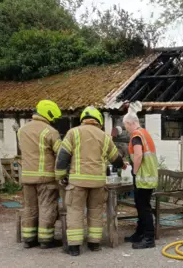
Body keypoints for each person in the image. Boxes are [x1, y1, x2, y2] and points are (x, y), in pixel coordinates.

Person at [55, 106, 124, 256]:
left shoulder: (73, 133)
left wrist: (60, 176)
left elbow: (62, 157)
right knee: (95, 212)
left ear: (83, 119)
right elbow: (115, 159)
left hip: (77, 183)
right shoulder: (104, 136)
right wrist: (122, 163)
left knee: (75, 212)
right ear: (98, 120)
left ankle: (74, 247)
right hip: (98, 183)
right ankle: (94, 244)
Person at [18, 100, 62, 249]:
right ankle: (45, 240)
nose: (53, 121)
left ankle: (29, 239)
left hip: (27, 177)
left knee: (29, 207)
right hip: (45, 177)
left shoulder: (22, 130)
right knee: (46, 207)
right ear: (49, 113)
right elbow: (61, 154)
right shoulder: (50, 132)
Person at [122, 112, 159, 249]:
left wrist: (134, 171)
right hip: (149, 175)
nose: (126, 128)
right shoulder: (145, 133)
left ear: (131, 123)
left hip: (143, 176)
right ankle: (140, 233)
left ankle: (149, 238)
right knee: (142, 206)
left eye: (126, 125)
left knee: (143, 208)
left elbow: (138, 156)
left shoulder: (136, 136)